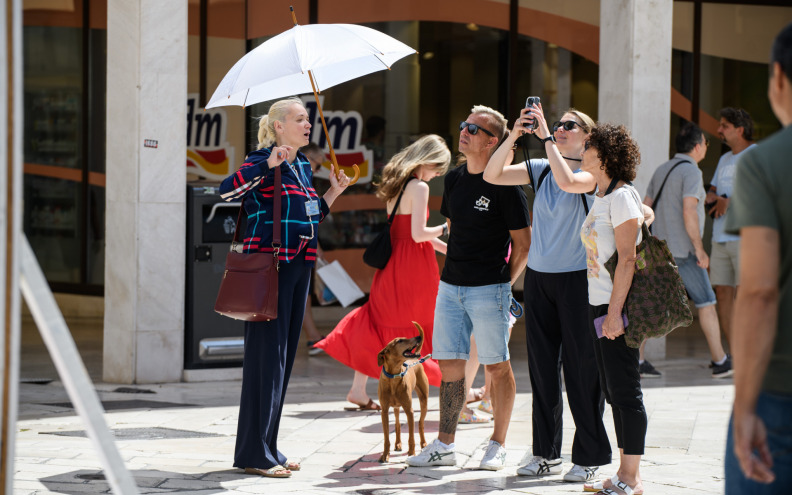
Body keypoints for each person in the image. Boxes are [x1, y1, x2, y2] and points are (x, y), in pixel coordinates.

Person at [219, 98, 350, 479]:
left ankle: (268, 447)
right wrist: (268, 165)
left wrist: (332, 194)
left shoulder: (303, 165)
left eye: (308, 119)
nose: (308, 125)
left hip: (298, 268)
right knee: (265, 360)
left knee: (282, 361)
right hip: (270, 268)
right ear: (278, 126)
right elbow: (226, 192)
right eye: (300, 119)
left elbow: (308, 215)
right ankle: (253, 453)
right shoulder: (262, 159)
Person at [484, 105, 612, 482]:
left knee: (582, 372)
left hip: (578, 280)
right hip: (539, 280)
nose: (559, 128)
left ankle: (589, 457)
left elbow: (570, 182)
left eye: (570, 125)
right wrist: (514, 135)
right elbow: (492, 174)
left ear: (587, 137)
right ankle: (546, 453)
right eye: (558, 124)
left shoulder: (592, 172)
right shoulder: (541, 168)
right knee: (542, 372)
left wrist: (544, 140)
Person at [407, 105, 531, 471]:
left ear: (493, 142)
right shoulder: (455, 179)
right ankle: (445, 444)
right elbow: (454, 228)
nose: (464, 131)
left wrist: (504, 284)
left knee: (497, 367)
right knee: (449, 366)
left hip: (489, 288)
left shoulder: (507, 185)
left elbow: (523, 245)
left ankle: (498, 444)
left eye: (474, 129)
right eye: (464, 125)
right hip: (450, 287)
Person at [542, 118, 648, 494]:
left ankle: (631, 478)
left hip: (616, 307)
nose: (583, 150)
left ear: (603, 155)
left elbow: (628, 258)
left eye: (588, 146)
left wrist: (615, 314)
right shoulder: (605, 195)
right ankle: (622, 474)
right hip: (598, 304)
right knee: (613, 390)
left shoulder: (621, 196)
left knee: (625, 391)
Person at [316, 134, 452, 410]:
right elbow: (418, 234)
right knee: (420, 324)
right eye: (439, 167)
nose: (438, 174)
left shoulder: (398, 184)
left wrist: (448, 248)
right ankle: (442, 386)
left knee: (380, 321)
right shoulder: (419, 187)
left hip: (394, 264)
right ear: (428, 160)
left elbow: (406, 234)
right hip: (413, 269)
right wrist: (447, 227)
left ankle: (358, 389)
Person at [724, 21, 792, 494]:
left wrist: (745, 405)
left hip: (780, 393)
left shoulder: (764, 163)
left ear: (779, 78)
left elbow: (760, 291)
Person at [642, 122, 732, 378]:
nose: (706, 147)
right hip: (684, 252)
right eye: (705, 142)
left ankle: (637, 361)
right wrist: (699, 249)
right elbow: (689, 210)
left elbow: (645, 208)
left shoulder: (662, 169)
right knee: (706, 302)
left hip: (658, 250)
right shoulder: (691, 171)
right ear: (697, 146)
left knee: (649, 305)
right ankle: (720, 361)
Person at [707, 107, 757, 343]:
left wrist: (730, 202)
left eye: (724, 126)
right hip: (720, 237)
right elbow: (713, 189)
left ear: (740, 129)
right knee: (723, 294)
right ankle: (736, 352)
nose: (719, 130)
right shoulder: (724, 159)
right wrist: (712, 197)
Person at [300, 143, 329, 356]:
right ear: (307, 158)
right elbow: (307, 217)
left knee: (304, 295)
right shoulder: (299, 180)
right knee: (302, 295)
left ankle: (313, 335)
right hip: (296, 246)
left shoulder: (303, 179)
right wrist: (316, 244)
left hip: (299, 245)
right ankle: (312, 336)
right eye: (317, 165)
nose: (318, 171)